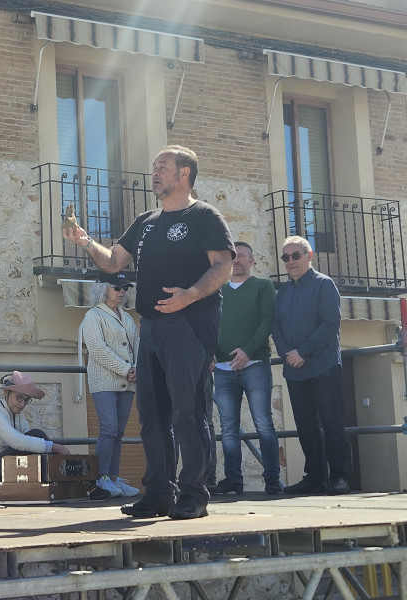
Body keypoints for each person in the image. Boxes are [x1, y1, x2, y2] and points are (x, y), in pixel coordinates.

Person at [62, 145, 234, 520]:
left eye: (162, 167)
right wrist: (84, 241)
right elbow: (113, 262)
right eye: (154, 167)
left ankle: (193, 495)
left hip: (190, 325)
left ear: (184, 173)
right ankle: (158, 494)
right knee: (153, 416)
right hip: (152, 327)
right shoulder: (146, 221)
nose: (154, 174)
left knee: (189, 413)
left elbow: (223, 266)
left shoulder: (204, 216)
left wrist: (189, 296)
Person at [272, 235, 349, 495]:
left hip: (323, 366)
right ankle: (315, 478)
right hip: (295, 370)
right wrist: (288, 354)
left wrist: (302, 352)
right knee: (305, 427)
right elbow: (277, 327)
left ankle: (340, 477)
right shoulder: (282, 291)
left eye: (296, 255)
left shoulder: (324, 285)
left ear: (309, 256)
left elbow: (330, 325)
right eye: (286, 257)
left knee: (332, 423)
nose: (291, 261)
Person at [210, 241, 281, 495]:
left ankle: (273, 480)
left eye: (242, 257)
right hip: (222, 368)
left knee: (264, 424)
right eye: (233, 257)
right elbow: (209, 323)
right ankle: (233, 480)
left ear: (252, 261)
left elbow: (267, 321)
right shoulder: (216, 290)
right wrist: (209, 353)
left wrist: (247, 350)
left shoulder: (263, 287)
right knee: (227, 428)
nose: (237, 261)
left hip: (255, 366)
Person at [81, 272, 140, 500]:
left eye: (125, 287)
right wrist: (127, 369)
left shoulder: (127, 318)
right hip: (104, 381)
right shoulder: (93, 316)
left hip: (128, 381)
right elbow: (97, 349)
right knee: (109, 428)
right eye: (117, 287)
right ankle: (102, 478)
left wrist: (137, 367)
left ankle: (114, 478)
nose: (122, 291)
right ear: (104, 288)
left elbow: (137, 346)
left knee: (119, 432)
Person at [0, 371, 71, 489]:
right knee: (37, 435)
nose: (22, 404)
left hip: (3, 464)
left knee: (36, 437)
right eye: (19, 397)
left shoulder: (18, 416)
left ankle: (61, 477)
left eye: (26, 400)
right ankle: (62, 477)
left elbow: (28, 440)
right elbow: (17, 441)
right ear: (6, 392)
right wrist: (55, 447)